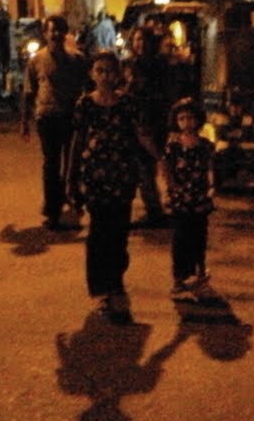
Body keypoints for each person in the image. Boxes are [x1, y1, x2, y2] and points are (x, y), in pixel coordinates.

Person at [67, 52, 160, 324]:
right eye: (100, 70)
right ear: (92, 74)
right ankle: (101, 290)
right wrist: (70, 178)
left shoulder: (128, 103)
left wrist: (162, 158)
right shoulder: (85, 105)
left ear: (118, 74)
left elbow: (141, 134)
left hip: (122, 175)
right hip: (95, 176)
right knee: (98, 233)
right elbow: (77, 140)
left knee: (119, 232)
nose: (105, 76)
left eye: (110, 71)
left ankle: (115, 280)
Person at [21, 14, 89, 231]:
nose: (56, 34)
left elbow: (87, 87)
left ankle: (72, 197)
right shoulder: (36, 61)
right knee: (51, 165)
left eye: (60, 30)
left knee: (72, 164)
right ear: (45, 33)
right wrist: (24, 122)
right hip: (47, 117)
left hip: (70, 117)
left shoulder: (77, 59)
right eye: (52, 30)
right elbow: (28, 92)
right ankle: (52, 210)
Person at [160, 97, 216, 295]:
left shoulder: (205, 145)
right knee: (180, 237)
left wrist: (211, 186)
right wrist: (171, 187)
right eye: (182, 118)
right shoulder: (173, 146)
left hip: (199, 195)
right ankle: (179, 277)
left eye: (190, 118)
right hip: (179, 197)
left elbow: (210, 167)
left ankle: (199, 272)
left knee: (199, 235)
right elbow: (165, 167)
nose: (186, 122)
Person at [121, 26, 170, 227]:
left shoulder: (157, 65)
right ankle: (153, 207)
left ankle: (154, 211)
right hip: (135, 119)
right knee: (142, 167)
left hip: (150, 120)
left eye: (144, 40)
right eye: (137, 40)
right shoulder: (130, 64)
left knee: (146, 166)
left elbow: (159, 93)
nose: (140, 44)